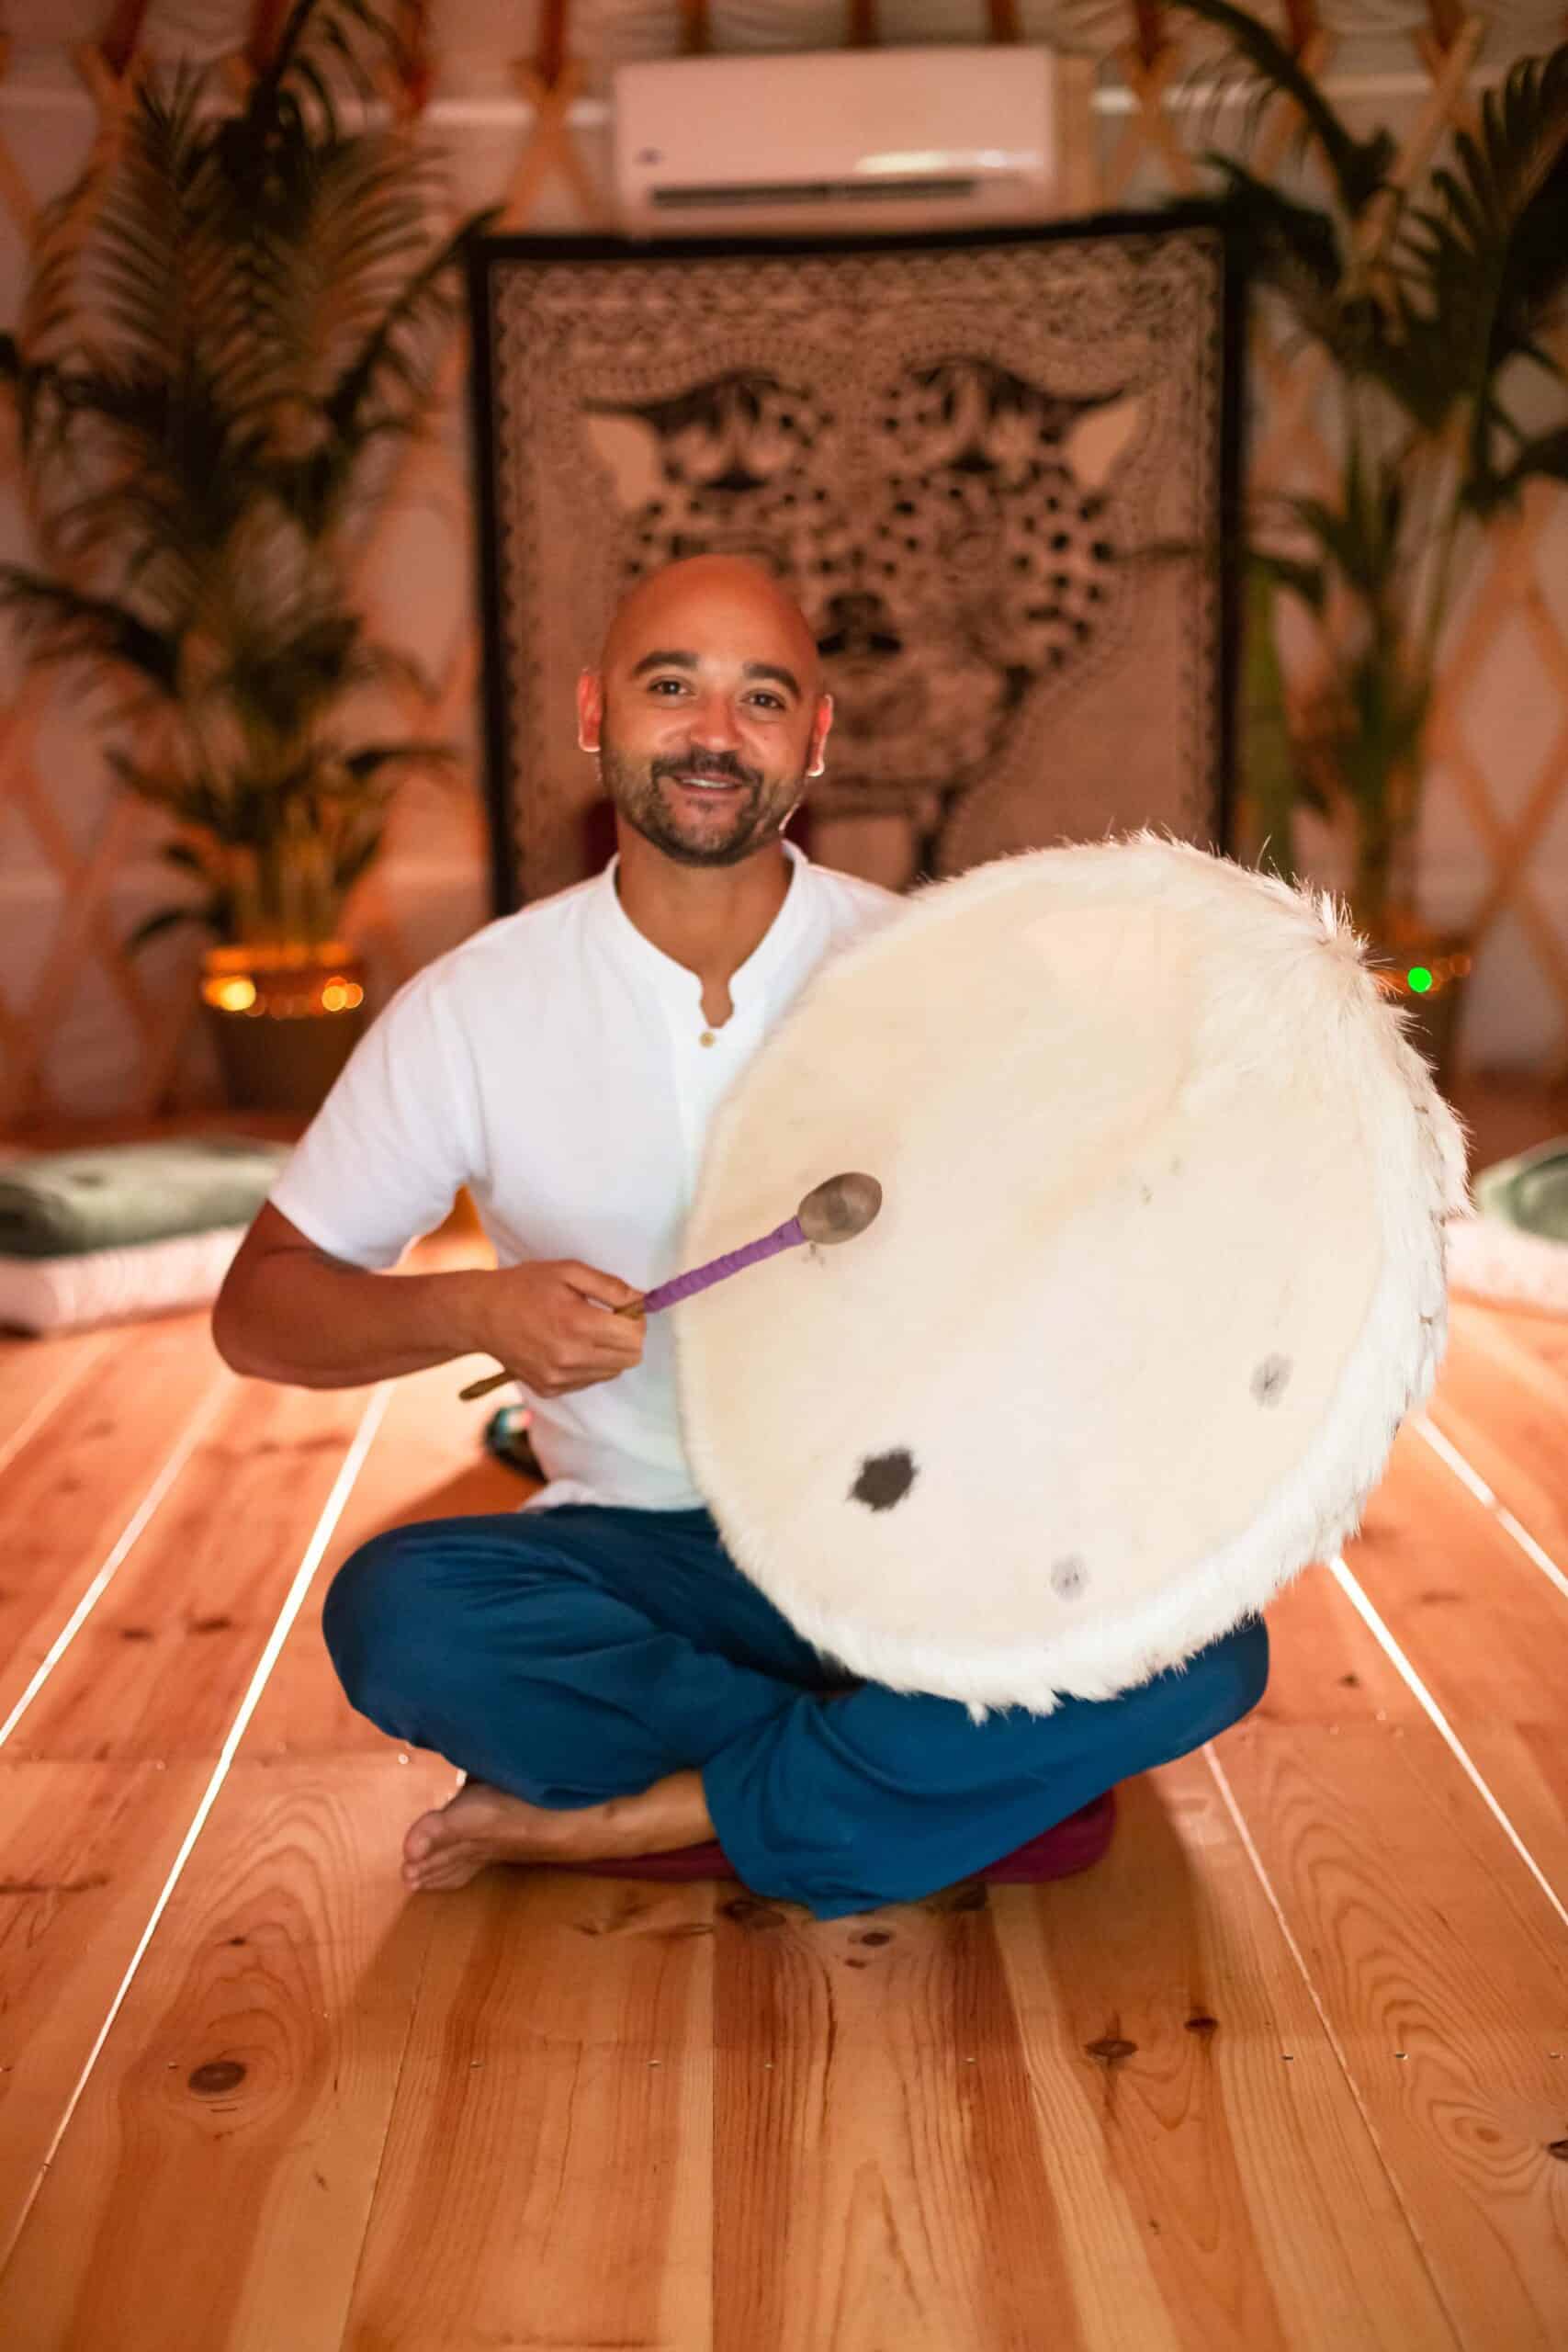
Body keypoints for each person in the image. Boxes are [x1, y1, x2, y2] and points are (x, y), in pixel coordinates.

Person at [213, 554, 1268, 1920]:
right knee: (403, 1616)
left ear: (815, 741)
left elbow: (1072, 1272)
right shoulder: (474, 1009)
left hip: (905, 1530)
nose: (715, 733)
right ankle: (924, 1779)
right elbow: (260, 1310)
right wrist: (474, 1311)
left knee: (1217, 1650)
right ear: (598, 715)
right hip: (646, 1556)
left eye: (762, 699)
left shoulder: (929, 976)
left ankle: (644, 1817)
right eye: (674, 688)